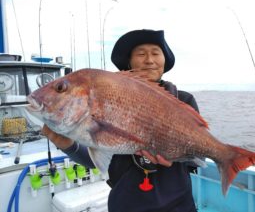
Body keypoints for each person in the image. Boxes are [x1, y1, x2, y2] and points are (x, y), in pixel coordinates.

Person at [42, 29, 199, 212]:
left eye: (156, 53)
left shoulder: (184, 100)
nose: (149, 60)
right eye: (141, 54)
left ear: (164, 60)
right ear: (129, 62)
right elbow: (98, 160)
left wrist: (176, 158)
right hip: (126, 205)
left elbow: (198, 158)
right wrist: (67, 145)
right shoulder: (109, 100)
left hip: (179, 204)